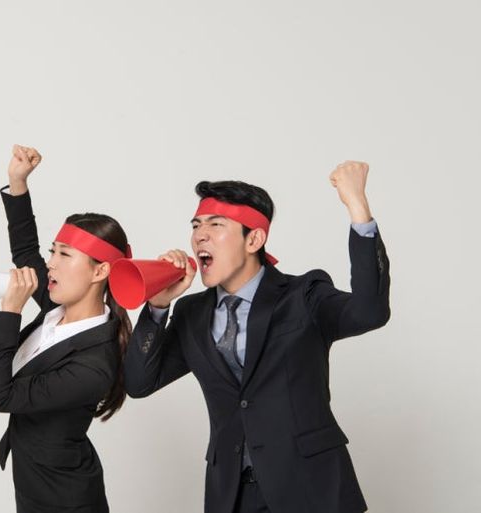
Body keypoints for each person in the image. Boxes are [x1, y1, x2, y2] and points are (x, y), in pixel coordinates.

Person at [124, 161, 390, 513]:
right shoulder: (192, 313)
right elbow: (139, 383)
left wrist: (357, 207)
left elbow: (370, 312)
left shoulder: (303, 295)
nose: (200, 235)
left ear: (254, 239)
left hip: (311, 489)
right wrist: (158, 307)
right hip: (233, 495)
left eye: (215, 224)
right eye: (196, 225)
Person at [0, 145, 132, 513]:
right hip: (34, 485)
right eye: (54, 251)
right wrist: (18, 183)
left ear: (100, 271)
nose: (50, 264)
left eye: (65, 255)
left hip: (65, 500)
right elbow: (25, 251)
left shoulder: (95, 363)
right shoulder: (54, 309)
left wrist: (10, 314)